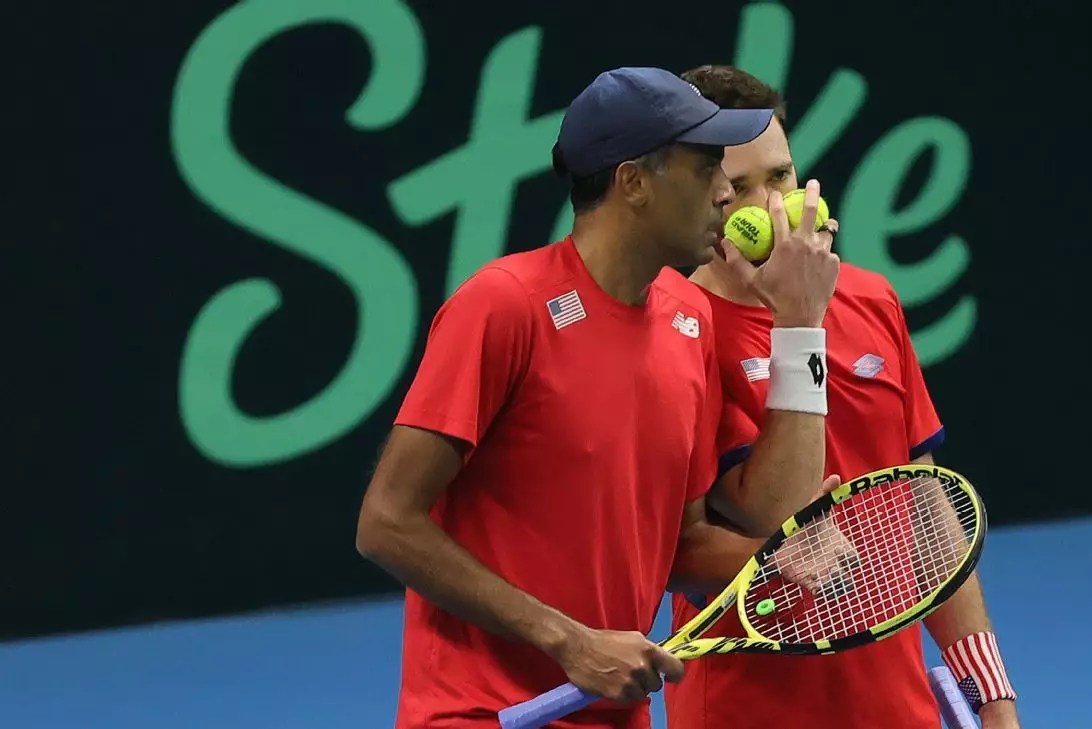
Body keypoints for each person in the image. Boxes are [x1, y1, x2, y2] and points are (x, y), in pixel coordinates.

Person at [354, 66, 841, 729]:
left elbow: (685, 544)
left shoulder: (687, 321)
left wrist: (773, 556)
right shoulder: (504, 306)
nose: (729, 193)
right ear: (633, 183)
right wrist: (567, 638)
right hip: (479, 711)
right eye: (705, 170)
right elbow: (386, 522)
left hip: (615, 710)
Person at [664, 65, 1022, 729]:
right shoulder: (675, 329)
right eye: (737, 189)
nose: (771, 208)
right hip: (751, 712)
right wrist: (800, 319)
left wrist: (993, 698)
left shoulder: (869, 297)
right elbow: (779, 511)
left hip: (896, 707)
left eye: (780, 177)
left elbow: (923, 512)